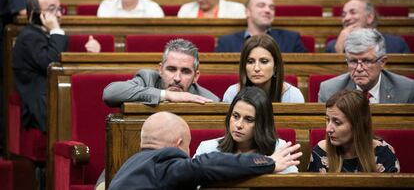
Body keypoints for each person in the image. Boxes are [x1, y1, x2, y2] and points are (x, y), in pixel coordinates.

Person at [107, 111, 302, 190]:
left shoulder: (130, 165)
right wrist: (269, 162)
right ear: (178, 143)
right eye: (188, 146)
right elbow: (206, 164)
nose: (189, 154)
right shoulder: (164, 163)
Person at [12, 0, 100, 132]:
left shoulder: (47, 34)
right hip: (41, 107)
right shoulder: (29, 37)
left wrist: (90, 54)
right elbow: (51, 64)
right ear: (35, 14)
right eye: (52, 9)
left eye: (60, 9)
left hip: (55, 99)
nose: (59, 15)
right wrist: (56, 30)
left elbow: (64, 62)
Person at [195, 86, 298, 174]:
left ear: (262, 123)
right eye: (235, 116)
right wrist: (267, 164)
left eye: (249, 119)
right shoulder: (208, 149)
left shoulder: (278, 149)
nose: (239, 125)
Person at [103, 38, 220, 107]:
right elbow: (110, 93)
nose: (177, 78)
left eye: (185, 71)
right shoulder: (147, 78)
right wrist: (166, 95)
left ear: (196, 76)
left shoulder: (209, 100)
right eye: (171, 69)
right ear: (160, 69)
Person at [309, 89, 400, 173]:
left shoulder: (383, 153)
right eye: (328, 120)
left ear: (357, 125)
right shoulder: (320, 152)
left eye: (337, 122)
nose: (328, 129)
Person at [319, 28, 414, 103]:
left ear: (382, 62)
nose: (359, 68)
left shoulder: (406, 90)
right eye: (353, 61)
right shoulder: (329, 91)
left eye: (366, 61)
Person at [222, 34, 304, 103]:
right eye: (250, 61)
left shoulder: (293, 96)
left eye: (264, 61)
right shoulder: (232, 94)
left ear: (275, 66)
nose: (256, 68)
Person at [216, 0, 307, 53]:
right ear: (247, 12)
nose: (268, 10)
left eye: (271, 7)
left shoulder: (291, 39)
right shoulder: (226, 43)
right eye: (261, 5)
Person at [326, 0, 410, 54]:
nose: (346, 18)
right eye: (344, 15)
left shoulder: (397, 44)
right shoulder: (332, 46)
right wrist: (339, 50)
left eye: (353, 12)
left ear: (370, 17)